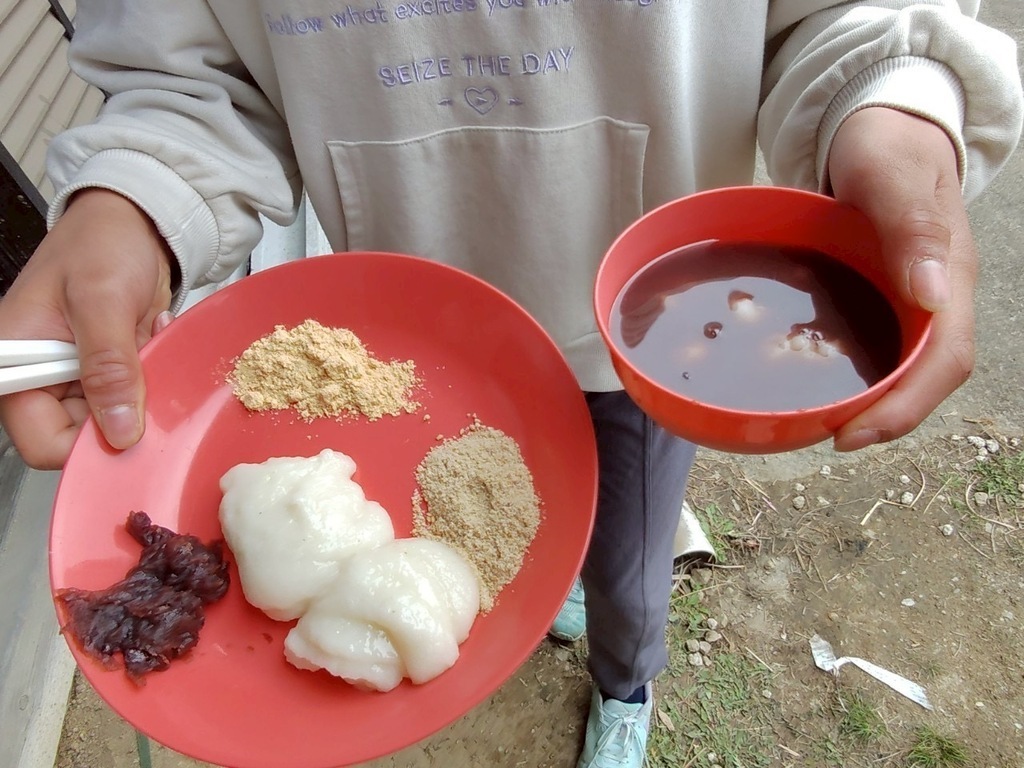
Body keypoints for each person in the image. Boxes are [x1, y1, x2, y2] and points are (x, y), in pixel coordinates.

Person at [1, 3, 1021, 766]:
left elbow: (844, 20)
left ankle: (626, 683)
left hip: (643, 343)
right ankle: (557, 603)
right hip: (419, 353)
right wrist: (139, 195)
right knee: (488, 546)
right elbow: (195, 74)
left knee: (625, 560)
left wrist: (891, 103)